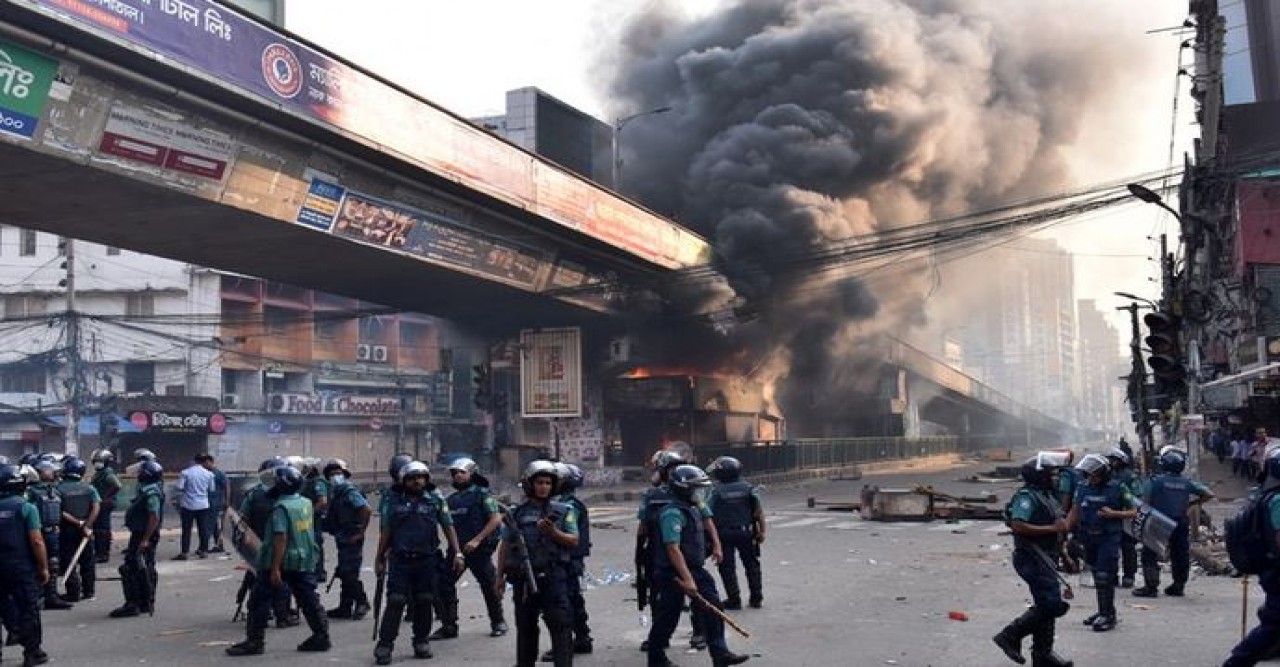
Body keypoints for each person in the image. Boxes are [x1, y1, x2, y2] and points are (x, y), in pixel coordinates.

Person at [647, 464, 749, 667]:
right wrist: (687, 580)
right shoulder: (672, 514)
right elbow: (673, 549)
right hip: (673, 573)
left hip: (694, 568)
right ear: (683, 489)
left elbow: (708, 523)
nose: (700, 492)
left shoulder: (692, 509)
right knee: (668, 616)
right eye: (697, 488)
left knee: (713, 607)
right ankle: (656, 658)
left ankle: (720, 653)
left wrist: (716, 547)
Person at [226, 464, 331, 656]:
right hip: (304, 559)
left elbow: (280, 538)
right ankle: (321, 636)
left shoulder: (280, 508)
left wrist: (275, 569)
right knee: (308, 599)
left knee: (258, 600)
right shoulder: (305, 503)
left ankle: (255, 641)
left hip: (281, 560)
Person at [374, 461, 463, 664]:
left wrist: (458, 553)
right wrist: (380, 556)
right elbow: (387, 529)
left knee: (424, 600)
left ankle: (421, 641)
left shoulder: (435, 499)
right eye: (413, 478)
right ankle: (385, 645)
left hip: (427, 560)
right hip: (400, 561)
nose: (417, 481)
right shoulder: (393, 500)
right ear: (404, 480)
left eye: (421, 477)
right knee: (396, 601)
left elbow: (448, 526)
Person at [993, 452, 1072, 667]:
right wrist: (1051, 528)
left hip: (1047, 556)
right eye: (1051, 474)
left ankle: (1043, 655)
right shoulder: (1027, 497)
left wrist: (1064, 555)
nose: (1055, 478)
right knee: (1051, 604)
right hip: (1032, 557)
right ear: (1039, 476)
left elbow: (1058, 528)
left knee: (1045, 603)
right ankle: (1010, 635)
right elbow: (1019, 525)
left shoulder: (1046, 495)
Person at [495, 460, 578, 667]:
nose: (543, 487)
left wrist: (553, 532)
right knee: (526, 629)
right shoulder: (518, 513)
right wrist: (499, 577)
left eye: (548, 483)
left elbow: (573, 540)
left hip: (554, 577)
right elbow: (505, 545)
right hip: (524, 580)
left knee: (560, 627)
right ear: (530, 484)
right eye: (539, 482)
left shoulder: (564, 510)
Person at [433, 456, 507, 640]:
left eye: (462, 472)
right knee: (443, 583)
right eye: (455, 473)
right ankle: (449, 625)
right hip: (457, 550)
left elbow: (495, 518)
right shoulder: (450, 500)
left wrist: (477, 540)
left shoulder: (482, 495)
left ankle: (498, 621)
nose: (458, 475)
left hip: (479, 550)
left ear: (472, 474)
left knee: (489, 586)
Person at [1065, 453, 1135, 633]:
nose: (1091, 479)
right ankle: (1104, 611)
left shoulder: (1118, 488)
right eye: (1089, 475)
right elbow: (1075, 510)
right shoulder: (1082, 487)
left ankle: (1108, 616)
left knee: (1105, 576)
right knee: (1097, 575)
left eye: (1094, 475)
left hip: (1108, 538)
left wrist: (1114, 514)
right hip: (1089, 537)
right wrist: (1064, 530)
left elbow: (1134, 511)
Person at [1132, 448, 1214, 598]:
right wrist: (1194, 503)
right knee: (1180, 554)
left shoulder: (1154, 481)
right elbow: (1209, 493)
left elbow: (1145, 502)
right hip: (1180, 521)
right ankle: (1178, 586)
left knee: (1150, 553)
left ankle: (1151, 587)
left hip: (1159, 521)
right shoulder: (1186, 482)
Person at [1225, 444, 1280, 665]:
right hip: (1277, 570)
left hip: (1272, 569)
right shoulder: (1277, 500)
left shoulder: (1268, 495)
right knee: (1272, 625)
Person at [236, 458, 299, 629]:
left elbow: (242, 519)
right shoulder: (291, 494)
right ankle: (283, 614)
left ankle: (261, 615)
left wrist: (246, 540)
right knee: (282, 579)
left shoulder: (254, 494)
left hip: (259, 545)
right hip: (283, 544)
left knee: (260, 580)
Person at [0, 464, 50, 666]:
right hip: (21, 567)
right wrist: (43, 567)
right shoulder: (26, 507)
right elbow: (37, 541)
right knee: (29, 608)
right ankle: (32, 653)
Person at [706, 456, 766, 610]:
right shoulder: (748, 488)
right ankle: (756, 598)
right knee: (752, 564)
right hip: (747, 532)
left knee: (727, 567)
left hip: (724, 534)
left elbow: (708, 515)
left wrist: (710, 539)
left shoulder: (715, 491)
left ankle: (734, 599)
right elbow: (758, 512)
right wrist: (762, 531)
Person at [110, 460, 164, 618]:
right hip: (141, 533)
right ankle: (144, 602)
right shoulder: (148, 489)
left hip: (143, 534)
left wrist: (145, 539)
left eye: (141, 473)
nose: (138, 475)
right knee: (142, 568)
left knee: (132, 569)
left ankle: (133, 604)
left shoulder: (151, 492)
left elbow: (153, 516)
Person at [322, 458, 371, 620]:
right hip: (343, 536)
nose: (334, 477)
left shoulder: (349, 491)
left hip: (352, 537)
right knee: (344, 571)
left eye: (338, 473)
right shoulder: (338, 492)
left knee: (349, 573)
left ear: (345, 474)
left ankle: (362, 601)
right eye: (331, 474)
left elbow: (365, 509)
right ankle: (345, 607)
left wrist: (360, 532)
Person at [553, 462, 592, 654]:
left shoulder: (567, 506)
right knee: (573, 599)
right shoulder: (565, 502)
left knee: (564, 602)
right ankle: (582, 638)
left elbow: (569, 534)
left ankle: (566, 644)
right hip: (569, 558)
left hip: (567, 558)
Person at [25, 460, 70, 611]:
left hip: (54, 532)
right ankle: (37, 596)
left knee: (54, 564)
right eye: (47, 470)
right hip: (38, 531)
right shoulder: (30, 492)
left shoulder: (55, 490)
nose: (51, 472)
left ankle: (52, 596)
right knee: (37, 563)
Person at [55, 456, 99, 602]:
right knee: (88, 561)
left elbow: (60, 511)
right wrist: (87, 525)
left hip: (67, 530)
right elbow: (96, 507)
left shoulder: (58, 489)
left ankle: (73, 593)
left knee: (68, 560)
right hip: (86, 531)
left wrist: (78, 523)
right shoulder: (89, 488)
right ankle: (89, 591)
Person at [1103, 448, 1140, 589]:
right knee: (1112, 548)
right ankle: (1114, 576)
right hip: (1111, 515)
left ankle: (1128, 576)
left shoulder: (1129, 476)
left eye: (1113, 460)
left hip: (1126, 516)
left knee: (1128, 548)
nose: (1111, 462)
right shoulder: (1108, 475)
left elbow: (1137, 497)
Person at [173, 454, 215, 560]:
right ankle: (203, 551)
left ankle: (185, 552)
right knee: (203, 529)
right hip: (203, 505)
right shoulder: (209, 474)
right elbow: (212, 489)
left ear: (193, 460)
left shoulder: (185, 472)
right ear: (203, 461)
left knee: (186, 529)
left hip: (188, 505)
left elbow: (179, 487)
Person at [298, 458, 328, 582]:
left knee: (316, 543)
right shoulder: (306, 481)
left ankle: (319, 572)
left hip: (313, 519)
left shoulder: (318, 482)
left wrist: (309, 514)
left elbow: (322, 501)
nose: (303, 470)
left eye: (305, 467)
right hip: (307, 518)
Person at [89, 449, 121, 565]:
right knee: (101, 528)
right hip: (102, 503)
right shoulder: (100, 472)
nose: (97, 463)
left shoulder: (107, 473)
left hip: (104, 504)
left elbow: (117, 485)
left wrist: (105, 497)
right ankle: (101, 552)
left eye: (100, 461)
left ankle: (102, 554)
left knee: (102, 529)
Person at [202, 455, 230, 554]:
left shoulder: (219, 473)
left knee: (208, 524)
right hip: (207, 502)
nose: (203, 465)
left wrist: (227, 500)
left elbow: (227, 487)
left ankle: (203, 547)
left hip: (215, 502)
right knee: (214, 525)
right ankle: (219, 545)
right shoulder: (206, 473)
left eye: (205, 463)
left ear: (210, 462)